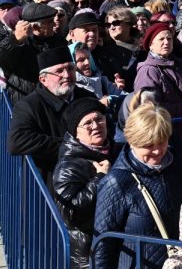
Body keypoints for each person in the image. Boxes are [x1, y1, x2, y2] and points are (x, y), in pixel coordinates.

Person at [92, 103, 182, 269]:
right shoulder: (116, 181)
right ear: (132, 142)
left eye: (161, 142)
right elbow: (103, 244)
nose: (157, 151)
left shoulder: (179, 166)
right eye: (148, 145)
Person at [51, 97, 119, 269]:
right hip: (88, 250)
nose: (96, 126)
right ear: (76, 132)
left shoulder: (117, 150)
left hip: (117, 244)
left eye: (99, 119)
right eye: (87, 123)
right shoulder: (69, 165)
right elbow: (70, 213)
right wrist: (100, 178)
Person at [7, 45, 95, 175]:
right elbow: (16, 142)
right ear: (43, 79)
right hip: (50, 177)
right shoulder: (28, 106)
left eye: (70, 68)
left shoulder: (88, 97)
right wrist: (69, 146)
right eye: (59, 71)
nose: (67, 75)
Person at [132, 22, 182, 122]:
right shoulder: (148, 70)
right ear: (151, 45)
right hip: (166, 128)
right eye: (161, 39)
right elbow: (150, 107)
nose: (166, 42)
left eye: (169, 38)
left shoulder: (181, 64)